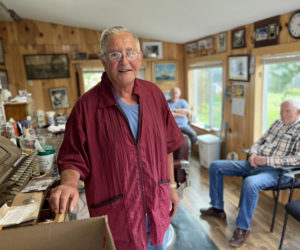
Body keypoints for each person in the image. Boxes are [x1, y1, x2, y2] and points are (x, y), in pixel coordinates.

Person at [49, 26, 184, 250]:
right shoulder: (86, 107)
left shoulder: (155, 95)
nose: (124, 61)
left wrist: (170, 186)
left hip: (157, 208)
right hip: (119, 219)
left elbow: (168, 146)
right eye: (115, 54)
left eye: (130, 52)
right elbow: (73, 157)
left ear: (140, 58)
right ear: (103, 61)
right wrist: (69, 183)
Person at [200, 99, 300, 248]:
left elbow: (296, 159)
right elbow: (259, 141)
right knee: (215, 166)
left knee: (250, 183)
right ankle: (217, 208)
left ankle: (243, 228)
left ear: (298, 112)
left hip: (279, 172)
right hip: (254, 163)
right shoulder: (277, 123)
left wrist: (266, 160)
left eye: (287, 112)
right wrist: (253, 155)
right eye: (281, 111)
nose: (283, 114)